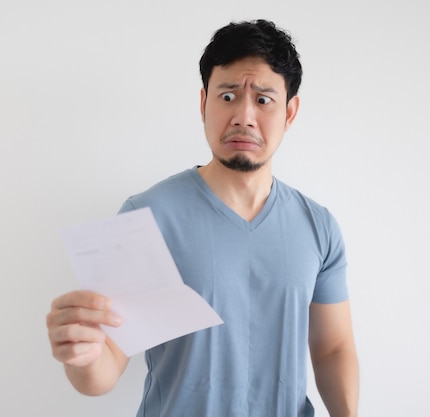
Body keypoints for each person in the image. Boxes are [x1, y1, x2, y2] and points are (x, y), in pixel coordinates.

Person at [46, 19, 359, 417]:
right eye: (228, 96)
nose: (244, 116)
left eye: (263, 100)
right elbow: (107, 364)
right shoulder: (146, 215)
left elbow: (333, 348)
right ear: (203, 103)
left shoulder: (319, 227)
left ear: (290, 112)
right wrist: (81, 354)